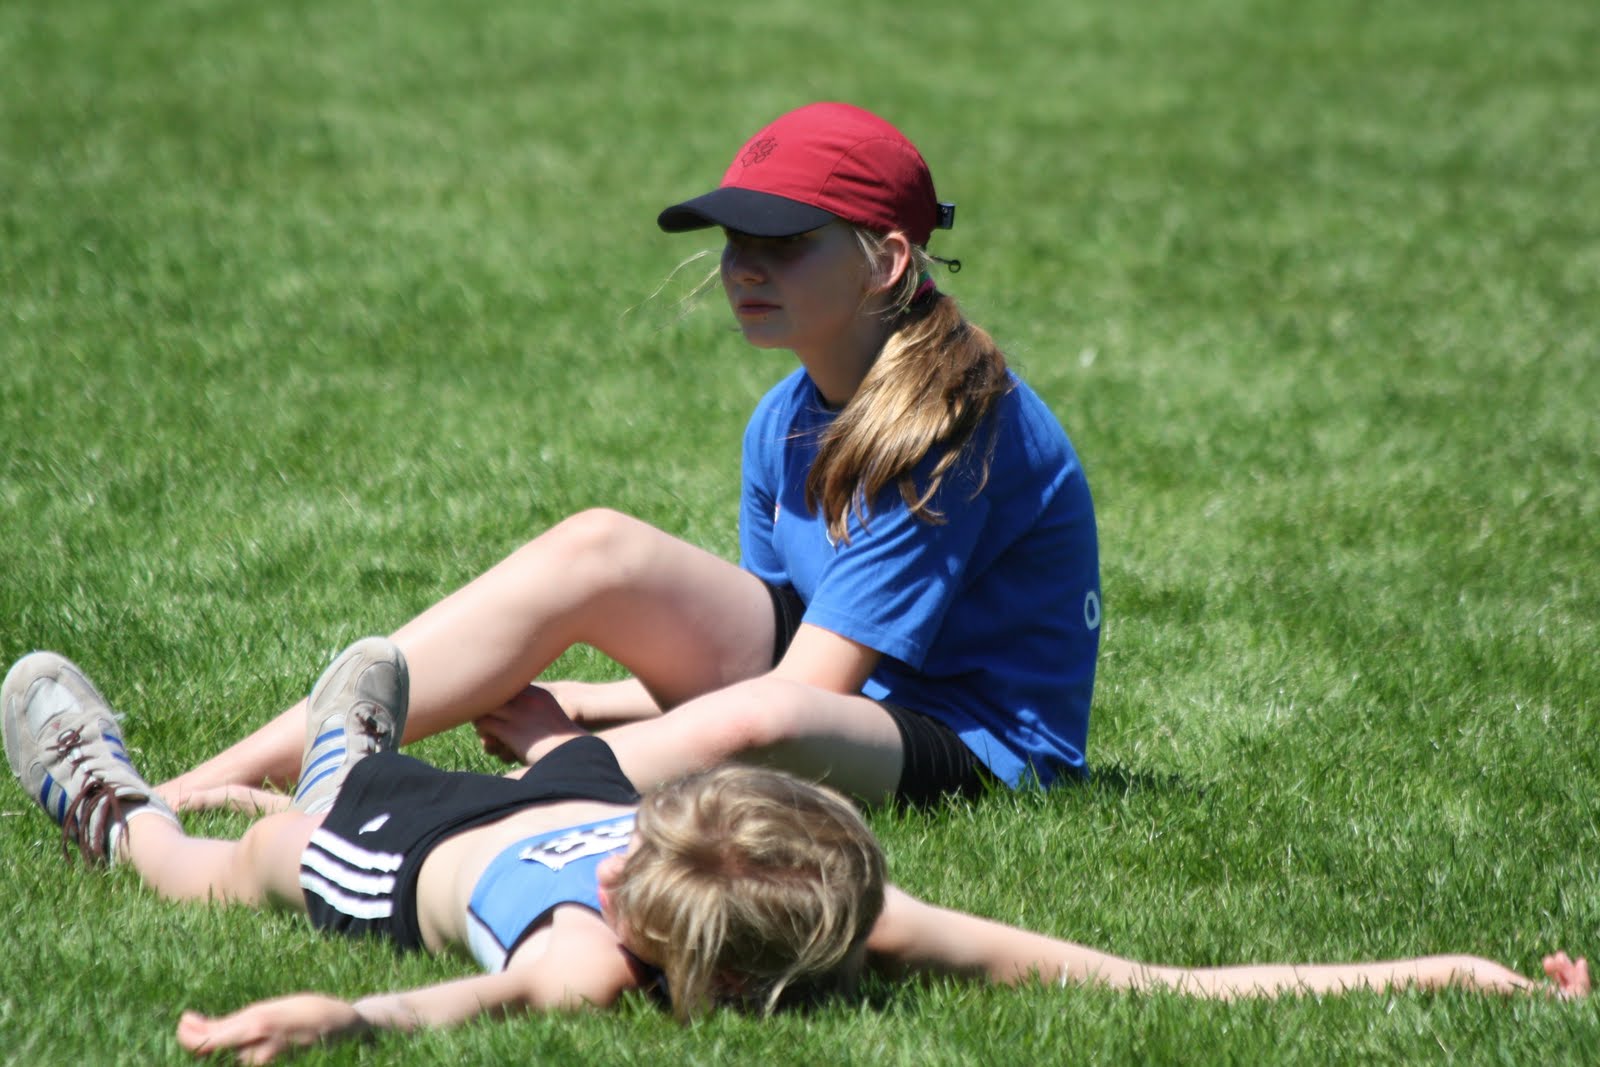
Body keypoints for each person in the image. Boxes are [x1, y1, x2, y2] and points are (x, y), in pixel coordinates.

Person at [157, 100, 1102, 813]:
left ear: (887, 261)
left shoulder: (950, 424)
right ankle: (205, 784)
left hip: (973, 745)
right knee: (597, 543)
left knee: (762, 723)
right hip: (832, 696)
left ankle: (404, 811)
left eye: (784, 242)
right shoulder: (782, 418)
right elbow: (780, 632)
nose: (743, 266)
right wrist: (606, 698)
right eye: (735, 239)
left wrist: (568, 740)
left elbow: (790, 702)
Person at [4, 644, 1588, 1064]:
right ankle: (330, 748)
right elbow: (1166, 972)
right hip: (512, 809)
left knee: (279, 839)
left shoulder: (590, 957)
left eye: (627, 889)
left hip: (427, 851)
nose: (613, 878)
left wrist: (342, 1011)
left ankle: (130, 794)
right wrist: (1459, 969)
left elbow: (1150, 981)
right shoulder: (771, 896)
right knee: (535, 768)